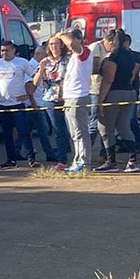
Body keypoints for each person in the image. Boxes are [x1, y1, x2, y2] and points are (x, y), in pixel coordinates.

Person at [0, 40, 38, 168]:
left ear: (14, 51)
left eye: (7, 50)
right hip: (2, 104)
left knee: (24, 132)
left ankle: (31, 159)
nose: (4, 53)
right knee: (7, 134)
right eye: (2, 50)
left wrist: (29, 94)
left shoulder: (22, 62)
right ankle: (11, 160)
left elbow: (35, 77)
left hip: (18, 104)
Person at [96, 29, 139, 173]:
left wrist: (100, 102)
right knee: (124, 126)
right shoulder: (130, 56)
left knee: (105, 128)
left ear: (111, 42)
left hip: (114, 93)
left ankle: (111, 162)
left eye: (105, 42)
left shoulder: (112, 58)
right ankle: (132, 161)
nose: (104, 44)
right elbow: (133, 76)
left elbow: (108, 80)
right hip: (130, 92)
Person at [56, 28, 93, 174]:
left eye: (69, 38)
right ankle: (78, 161)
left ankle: (84, 163)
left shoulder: (84, 51)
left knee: (80, 132)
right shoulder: (73, 56)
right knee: (74, 133)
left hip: (78, 96)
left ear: (79, 39)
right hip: (70, 97)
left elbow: (72, 44)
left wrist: (61, 35)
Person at [34, 36, 71, 167]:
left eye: (56, 44)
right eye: (51, 44)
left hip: (68, 97)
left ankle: (74, 153)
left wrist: (63, 36)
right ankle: (62, 159)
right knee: (58, 129)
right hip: (51, 98)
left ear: (61, 45)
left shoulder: (69, 59)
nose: (53, 46)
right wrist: (42, 69)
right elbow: (35, 82)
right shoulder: (45, 61)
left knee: (72, 127)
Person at [26, 42, 61, 163]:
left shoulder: (41, 65)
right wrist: (33, 102)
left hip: (40, 102)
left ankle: (24, 152)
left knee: (31, 131)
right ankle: (48, 154)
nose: (48, 56)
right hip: (34, 104)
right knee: (42, 130)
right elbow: (29, 86)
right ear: (38, 54)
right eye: (45, 54)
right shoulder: (31, 66)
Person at [89, 30, 115, 158]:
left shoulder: (107, 50)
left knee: (105, 124)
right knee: (93, 124)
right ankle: (86, 154)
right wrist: (107, 69)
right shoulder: (96, 48)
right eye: (112, 44)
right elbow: (93, 68)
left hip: (105, 89)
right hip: (94, 90)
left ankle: (104, 154)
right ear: (108, 41)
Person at [122, 33, 140, 153]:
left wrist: (128, 82)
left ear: (127, 43)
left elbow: (135, 72)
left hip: (131, 90)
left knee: (131, 118)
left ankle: (137, 144)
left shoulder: (136, 55)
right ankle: (126, 143)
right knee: (121, 120)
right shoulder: (116, 55)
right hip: (119, 90)